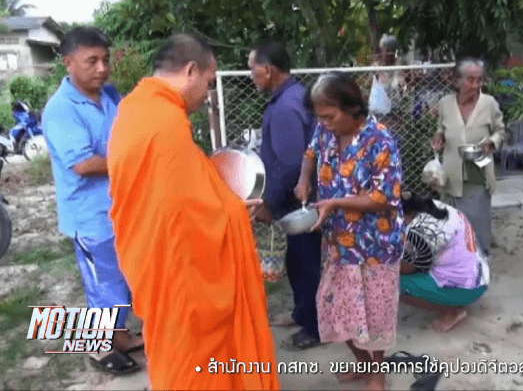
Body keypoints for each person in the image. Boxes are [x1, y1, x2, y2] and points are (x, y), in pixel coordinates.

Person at [107, 34, 279, 390]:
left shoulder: (136, 108)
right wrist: (234, 211)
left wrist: (222, 201)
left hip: (153, 263)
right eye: (210, 82)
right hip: (180, 278)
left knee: (174, 352)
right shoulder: (165, 125)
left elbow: (182, 194)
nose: (208, 93)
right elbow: (185, 219)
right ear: (191, 71)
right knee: (193, 360)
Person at [42, 27, 143, 375]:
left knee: (124, 277)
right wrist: (136, 160)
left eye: (105, 60)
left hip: (122, 208)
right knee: (102, 283)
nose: (102, 68)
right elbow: (83, 164)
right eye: (91, 61)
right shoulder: (60, 110)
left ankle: (121, 336)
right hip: (91, 216)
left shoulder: (111, 95)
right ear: (69, 63)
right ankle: (97, 349)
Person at [295, 72, 405, 391]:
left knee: (375, 311)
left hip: (375, 244)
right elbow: (310, 154)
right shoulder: (326, 131)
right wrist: (304, 180)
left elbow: (384, 196)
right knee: (334, 305)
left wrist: (335, 203)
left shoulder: (380, 139)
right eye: (320, 117)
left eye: (330, 116)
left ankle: (377, 373)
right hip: (338, 242)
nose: (324, 123)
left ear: (352, 108)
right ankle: (363, 364)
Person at [247, 39, 323, 350]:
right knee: (300, 260)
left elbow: (290, 164)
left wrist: (269, 202)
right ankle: (302, 313)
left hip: (295, 201)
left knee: (304, 262)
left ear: (266, 69)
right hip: (300, 198)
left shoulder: (285, 107)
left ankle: (314, 327)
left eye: (252, 69)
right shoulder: (295, 96)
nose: (251, 75)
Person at [432, 58, 506, 255]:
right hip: (451, 174)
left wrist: (492, 142)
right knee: (452, 225)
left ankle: (480, 265)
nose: (475, 85)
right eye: (470, 80)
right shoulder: (445, 104)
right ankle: (456, 267)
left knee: (478, 225)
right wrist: (439, 137)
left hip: (478, 173)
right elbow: (441, 129)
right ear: (457, 81)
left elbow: (500, 131)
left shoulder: (489, 103)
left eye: (479, 80)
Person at [399, 192, 490, 332]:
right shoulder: (436, 206)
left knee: (393, 283)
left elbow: (407, 268)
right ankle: (449, 300)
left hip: (467, 289)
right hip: (480, 277)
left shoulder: (418, 230)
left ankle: (452, 312)